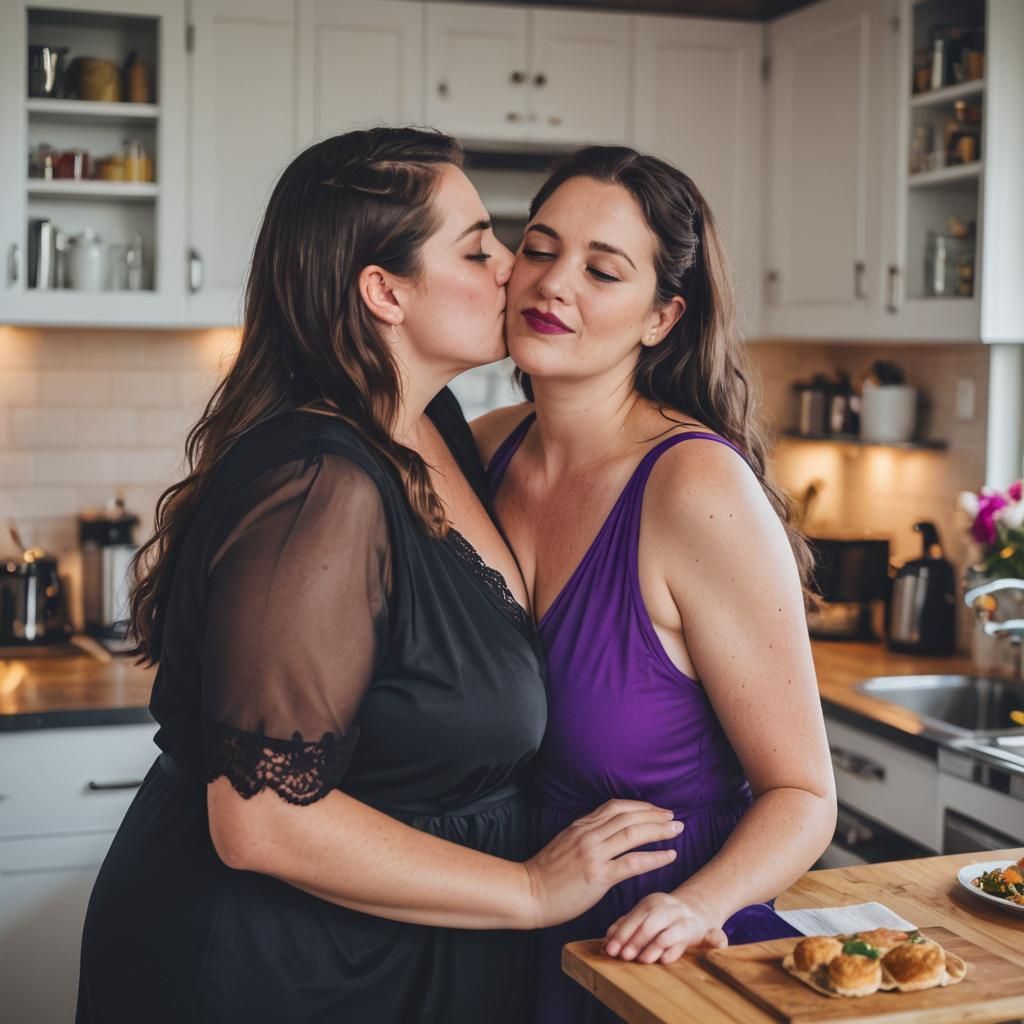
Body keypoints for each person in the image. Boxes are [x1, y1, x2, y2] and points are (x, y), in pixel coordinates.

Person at [76, 129, 683, 1024]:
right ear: (384, 291)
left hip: (393, 952)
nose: (513, 268)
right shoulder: (321, 486)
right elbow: (263, 820)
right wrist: (527, 890)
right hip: (272, 966)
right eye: (479, 248)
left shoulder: (436, 426)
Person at [472, 146, 838, 1024]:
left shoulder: (693, 489)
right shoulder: (481, 449)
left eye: (602, 270)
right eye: (539, 247)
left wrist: (696, 906)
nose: (553, 284)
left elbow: (805, 795)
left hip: (659, 948)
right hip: (508, 920)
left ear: (661, 317)